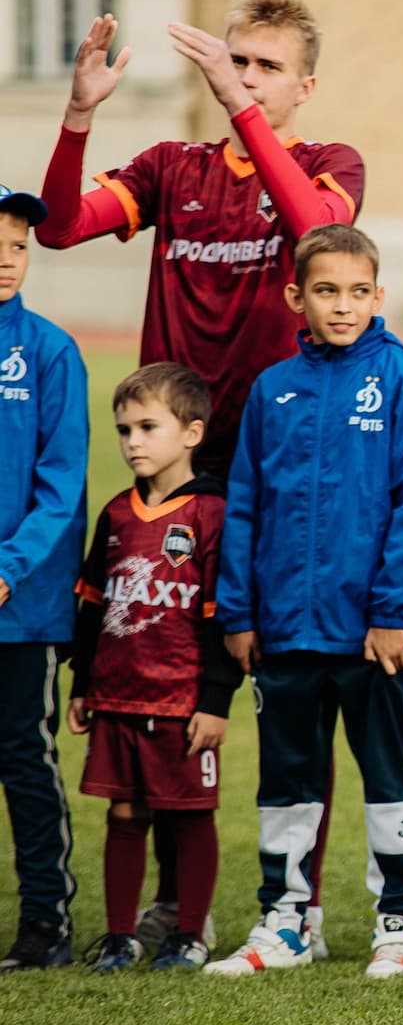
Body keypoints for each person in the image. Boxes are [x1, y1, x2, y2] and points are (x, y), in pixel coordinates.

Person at [36, 0, 362, 952]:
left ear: (304, 84)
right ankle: (175, 908)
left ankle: (293, 900)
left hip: (279, 466)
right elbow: (58, 227)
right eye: (236, 61)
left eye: (265, 67)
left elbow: (316, 237)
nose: (244, 77)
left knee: (290, 689)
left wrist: (243, 113)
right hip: (174, 461)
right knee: (160, 684)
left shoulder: (326, 164)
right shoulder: (170, 169)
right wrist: (79, 116)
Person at [205, 224, 403, 980]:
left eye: (357, 292)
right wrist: (239, 613)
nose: (342, 306)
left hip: (369, 634)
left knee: (387, 781)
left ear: (379, 295)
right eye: (326, 291)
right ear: (295, 297)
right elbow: (244, 504)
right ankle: (285, 921)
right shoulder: (273, 390)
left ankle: (400, 925)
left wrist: (392, 612)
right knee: (285, 785)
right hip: (282, 628)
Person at [68, 363, 243, 973]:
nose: (133, 442)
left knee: (190, 814)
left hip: (182, 701)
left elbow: (225, 615)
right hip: (117, 695)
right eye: (123, 430)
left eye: (147, 427)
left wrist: (216, 701)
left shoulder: (212, 514)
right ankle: (120, 936)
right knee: (122, 813)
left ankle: (189, 934)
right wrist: (82, 683)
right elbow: (91, 604)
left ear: (192, 432)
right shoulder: (116, 514)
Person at [0, 184, 86, 972]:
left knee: (23, 757)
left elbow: (61, 486)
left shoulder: (50, 351)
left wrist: (7, 569)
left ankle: (45, 927)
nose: (6, 259)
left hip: (21, 609)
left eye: (20, 246)